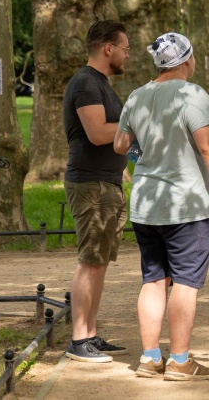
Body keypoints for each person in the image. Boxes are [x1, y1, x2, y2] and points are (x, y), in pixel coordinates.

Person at [114, 32, 209, 380]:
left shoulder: (137, 95)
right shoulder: (193, 94)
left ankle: (149, 357)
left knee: (154, 280)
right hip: (186, 205)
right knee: (186, 282)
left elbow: (120, 145)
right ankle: (180, 361)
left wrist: (148, 152)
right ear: (187, 60)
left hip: (145, 202)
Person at [62, 20, 131, 363]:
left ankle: (89, 333)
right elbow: (99, 134)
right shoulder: (86, 84)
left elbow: (120, 141)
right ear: (108, 48)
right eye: (125, 48)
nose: (126, 55)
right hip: (90, 185)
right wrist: (139, 123)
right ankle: (78, 340)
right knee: (89, 262)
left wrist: (135, 163)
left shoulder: (101, 84)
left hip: (108, 183)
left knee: (99, 263)